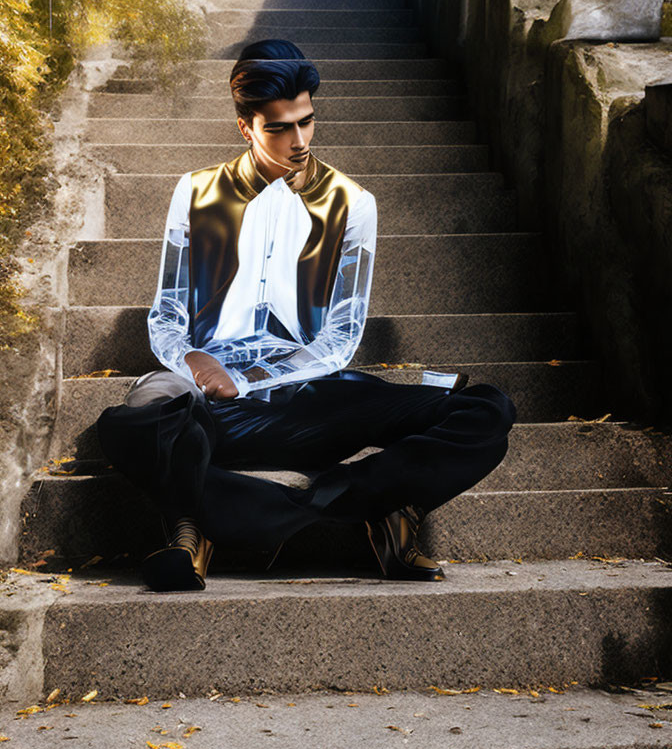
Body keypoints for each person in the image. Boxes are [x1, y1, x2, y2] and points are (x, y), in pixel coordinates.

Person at [96, 38, 517, 592]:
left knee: (486, 411)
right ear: (246, 127)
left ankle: (271, 510)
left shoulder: (353, 203)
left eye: (307, 122)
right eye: (279, 128)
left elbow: (341, 337)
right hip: (202, 404)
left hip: (307, 399)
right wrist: (197, 362)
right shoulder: (195, 191)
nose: (298, 141)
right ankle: (360, 506)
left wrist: (252, 378)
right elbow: (168, 311)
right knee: (135, 420)